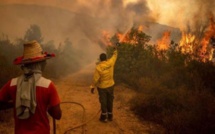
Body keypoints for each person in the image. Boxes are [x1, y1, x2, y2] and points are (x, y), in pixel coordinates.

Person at [0, 40, 62, 134]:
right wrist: (48, 107)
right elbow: (57, 115)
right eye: (43, 61)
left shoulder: (11, 84)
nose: (45, 64)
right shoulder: (48, 85)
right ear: (39, 64)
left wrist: (17, 103)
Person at [90, 45, 118, 122]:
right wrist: (115, 50)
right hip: (111, 85)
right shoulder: (110, 63)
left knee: (103, 101)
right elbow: (114, 56)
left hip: (102, 87)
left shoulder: (98, 67)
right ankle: (110, 116)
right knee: (110, 101)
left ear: (100, 59)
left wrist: (92, 87)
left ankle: (104, 117)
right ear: (106, 58)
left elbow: (95, 79)